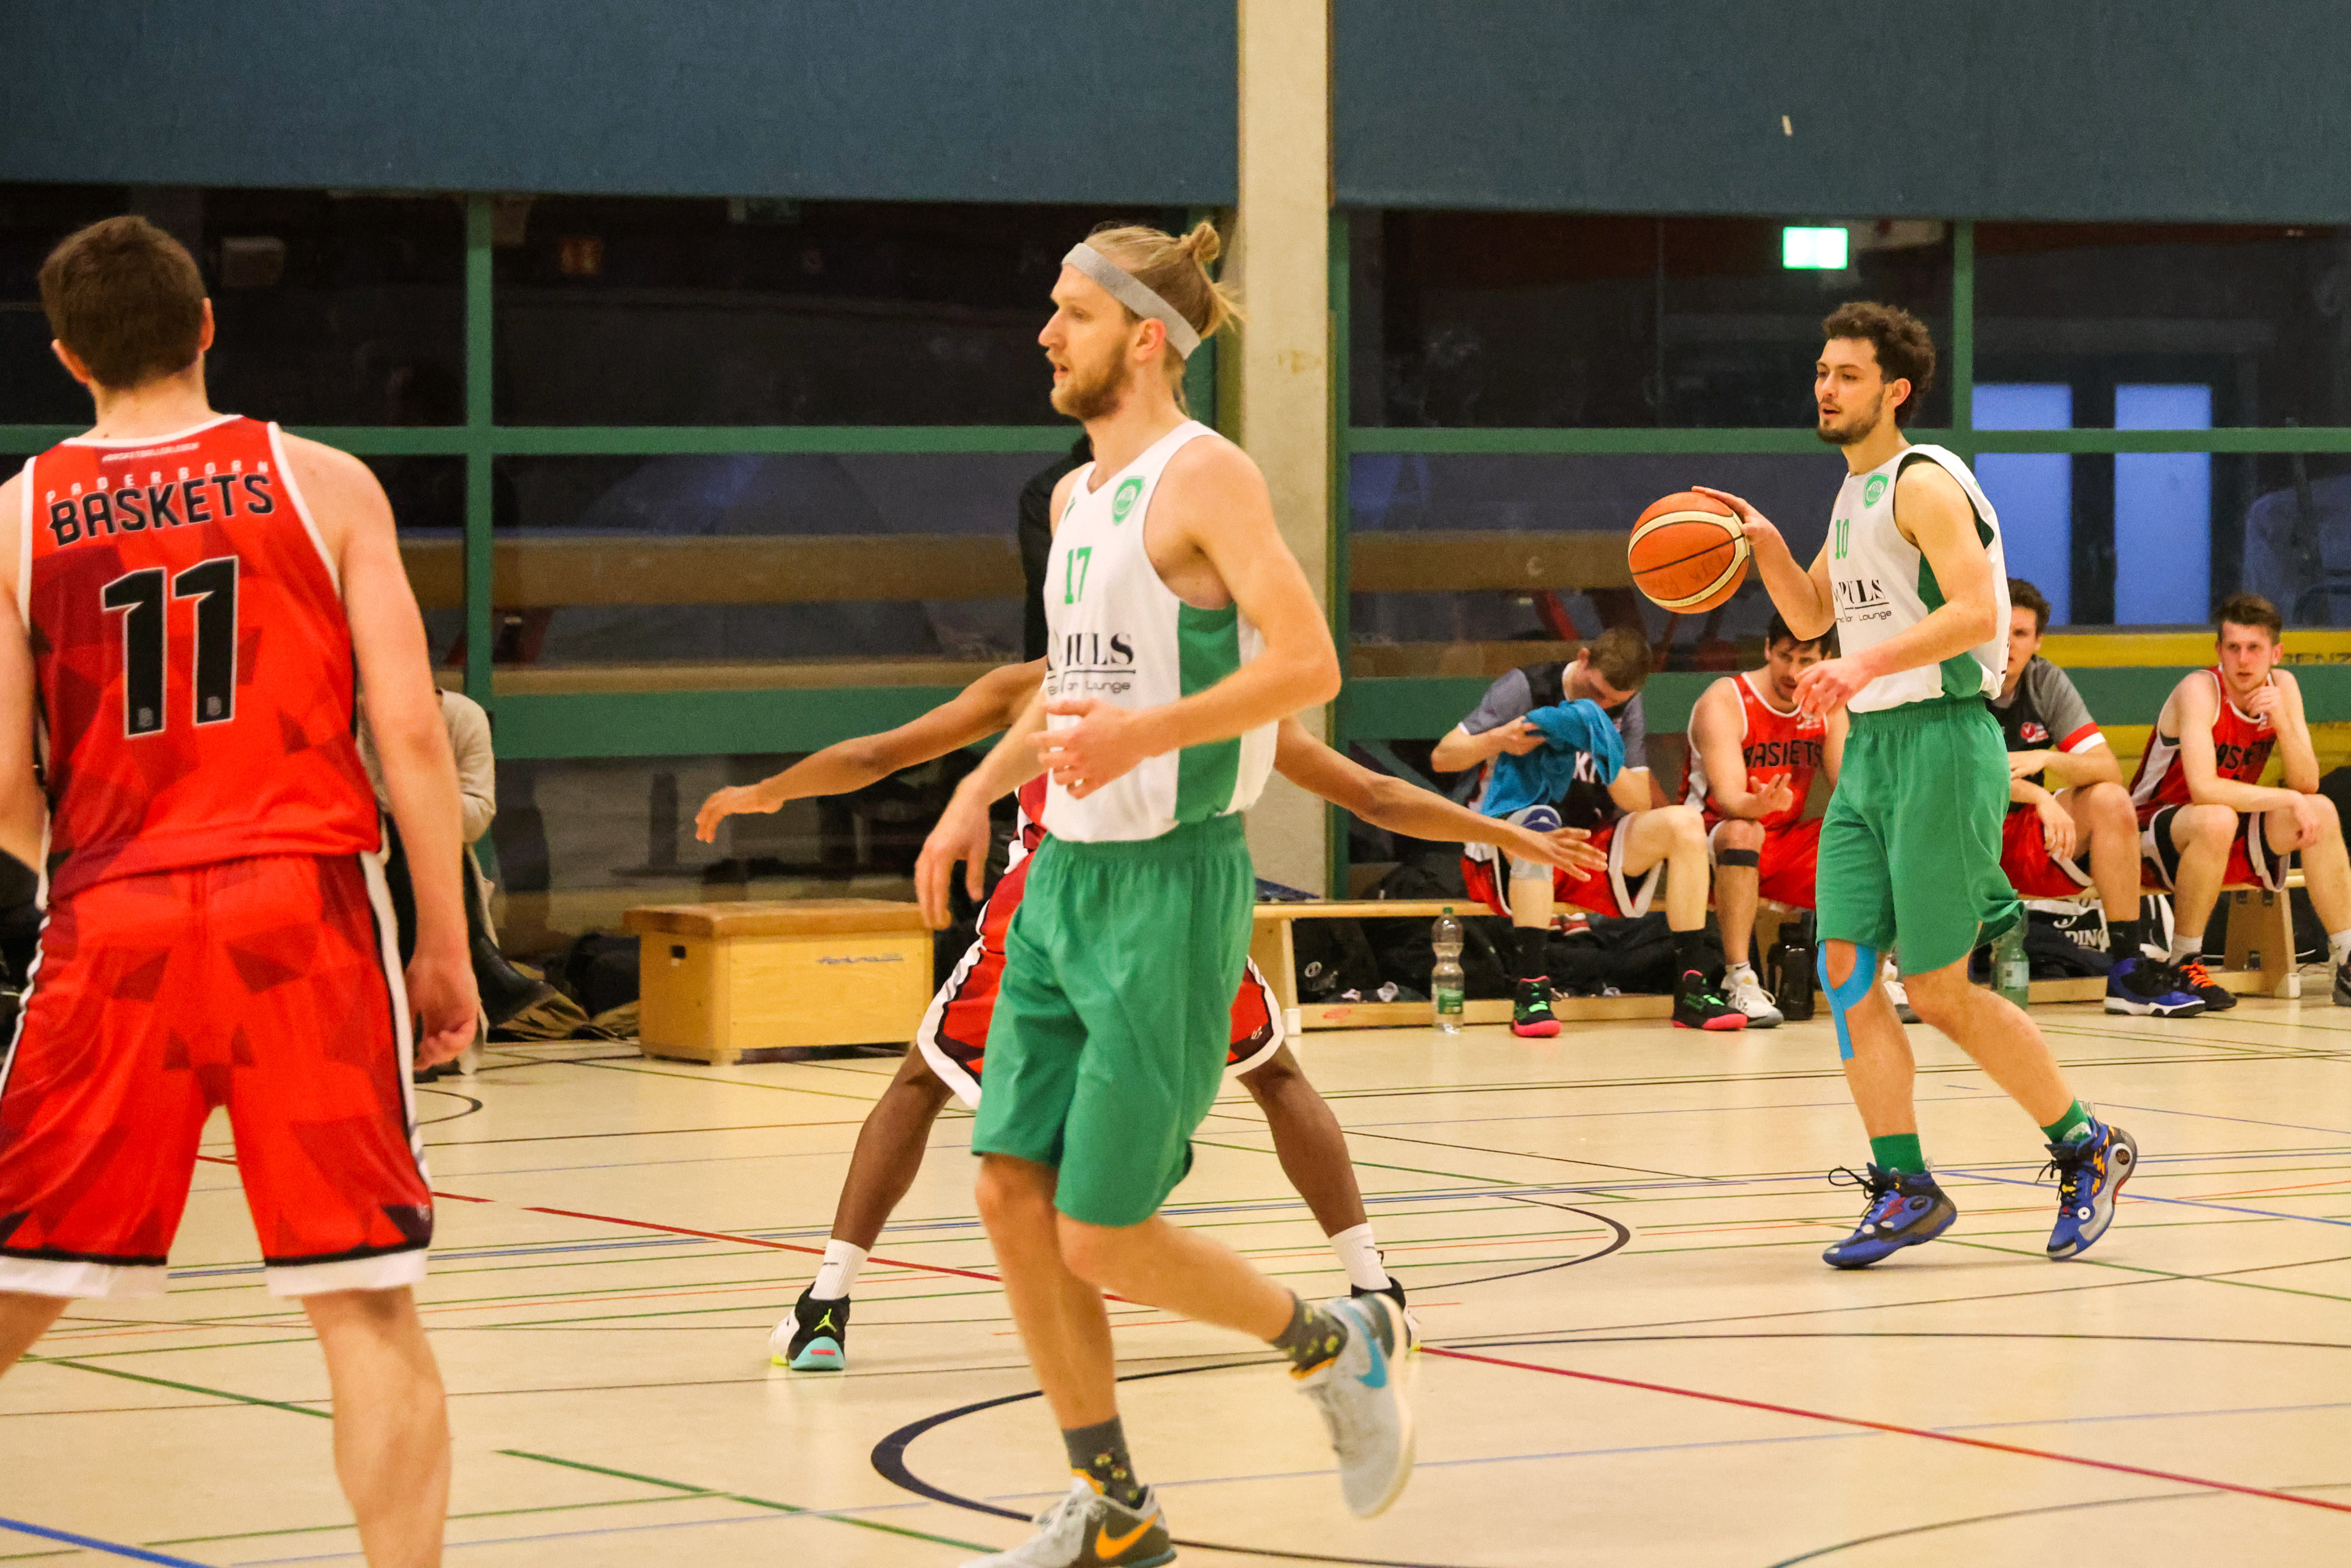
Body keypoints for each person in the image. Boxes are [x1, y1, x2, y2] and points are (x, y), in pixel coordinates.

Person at [911, 222, 1410, 1566]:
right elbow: (1066, 693)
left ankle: (1330, 1339)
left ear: (1142, 337)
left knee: (1100, 1230)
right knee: (1008, 1193)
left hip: (1168, 886)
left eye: (1068, 313)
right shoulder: (1075, 500)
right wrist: (977, 790)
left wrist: (1151, 733)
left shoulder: (1207, 476)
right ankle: (1114, 1504)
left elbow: (1307, 665)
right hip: (1062, 882)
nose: (1043, 334)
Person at [0, 217, 477, 1565]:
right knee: (364, 1303)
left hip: (115, 918)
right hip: (302, 911)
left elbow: (1, 783)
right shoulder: (323, 483)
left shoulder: (19, 515)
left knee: (17, 1275)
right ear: (208, 323)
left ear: (67, 356)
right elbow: (412, 734)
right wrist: (443, 945)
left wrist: (85, 880)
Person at [697, 661, 1603, 1371]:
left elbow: (877, 757)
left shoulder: (1041, 683)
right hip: (1179, 909)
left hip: (1056, 900)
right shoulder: (1221, 693)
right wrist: (1503, 832)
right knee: (1274, 1075)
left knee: (920, 1087)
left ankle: (825, 1307)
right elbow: (1372, 795)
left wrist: (770, 792)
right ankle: (1376, 1290)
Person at [1696, 300, 2136, 1271]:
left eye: (1846, 374)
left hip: (1941, 741)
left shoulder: (1924, 481)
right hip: (1873, 755)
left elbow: (1979, 611)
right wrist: (1765, 542)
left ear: (1894, 390)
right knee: (1847, 971)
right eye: (1821, 371)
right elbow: (1810, 613)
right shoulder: (1852, 494)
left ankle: (2086, 1144)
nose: (1825, 387)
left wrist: (1860, 665)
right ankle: (1905, 1183)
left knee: (1937, 989)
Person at [1434, 628, 1744, 1034]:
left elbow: (1637, 799)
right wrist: (1498, 739)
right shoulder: (1526, 687)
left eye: (1613, 701)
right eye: (1595, 692)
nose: (1601, 705)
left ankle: (1691, 988)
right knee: (1539, 823)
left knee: (1684, 823)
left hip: (1586, 846)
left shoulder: (1624, 706)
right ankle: (1531, 991)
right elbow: (1443, 756)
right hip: (1508, 843)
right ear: (1582, 659)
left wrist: (1604, 748)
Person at [1992, 580, 2203, 1017]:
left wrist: (2049, 758)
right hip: (1962, 832)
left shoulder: (2044, 680)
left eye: (2020, 633)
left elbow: (2107, 769)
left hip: (2023, 834)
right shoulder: (1958, 679)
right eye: (1999, 630)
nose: (2008, 644)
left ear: (2037, 641)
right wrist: (2039, 795)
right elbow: (1961, 775)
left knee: (2110, 799)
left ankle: (2127, 970)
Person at [2131, 591, 2351, 1009]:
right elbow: (2204, 789)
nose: (2243, 660)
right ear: (2218, 651)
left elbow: (2307, 782)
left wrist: (2282, 722)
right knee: (2217, 817)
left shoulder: (2283, 687)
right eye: (2233, 648)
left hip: (2222, 830)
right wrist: (2287, 797)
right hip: (2150, 833)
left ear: (2276, 653)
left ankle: (2347, 959)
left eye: (2254, 648)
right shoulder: (2200, 690)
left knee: (2319, 810)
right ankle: (2183, 961)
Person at [1682, 612, 1845, 1026]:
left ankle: (1877, 973)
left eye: (1806, 661)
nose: (1793, 671)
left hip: (1783, 838)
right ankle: (1739, 979)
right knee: (1744, 831)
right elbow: (1730, 800)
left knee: (1868, 835)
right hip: (1710, 840)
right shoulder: (1726, 699)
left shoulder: (1828, 705)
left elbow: (1849, 787)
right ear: (1768, 649)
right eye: (1785, 656)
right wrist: (1760, 805)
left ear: (1826, 661)